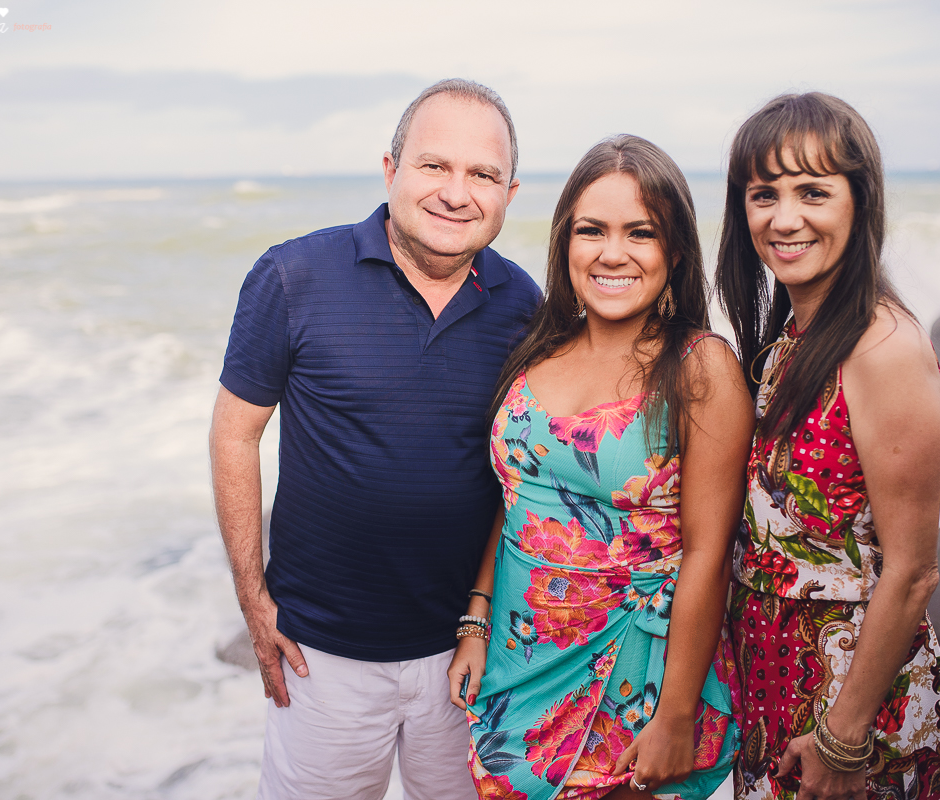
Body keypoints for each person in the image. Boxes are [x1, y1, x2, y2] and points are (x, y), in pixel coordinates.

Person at [210, 79, 540, 800]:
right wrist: (251, 599)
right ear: (391, 171)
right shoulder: (293, 276)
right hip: (321, 659)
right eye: (434, 166)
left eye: (482, 174)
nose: (457, 192)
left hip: (468, 654)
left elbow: (528, 471)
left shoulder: (524, 303)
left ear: (509, 193)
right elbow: (236, 434)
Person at [448, 134, 754, 800]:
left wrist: (675, 714)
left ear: (674, 252)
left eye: (639, 233)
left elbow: (709, 554)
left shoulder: (702, 367)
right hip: (516, 660)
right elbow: (515, 499)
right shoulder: (537, 352)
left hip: (634, 676)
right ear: (565, 244)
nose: (612, 253)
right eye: (592, 230)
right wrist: (474, 619)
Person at [715, 93, 940, 800]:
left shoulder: (881, 345)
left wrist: (842, 738)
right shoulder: (788, 338)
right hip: (774, 683)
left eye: (813, 191)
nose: (784, 218)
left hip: (851, 704)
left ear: (860, 200)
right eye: (765, 194)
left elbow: (912, 571)